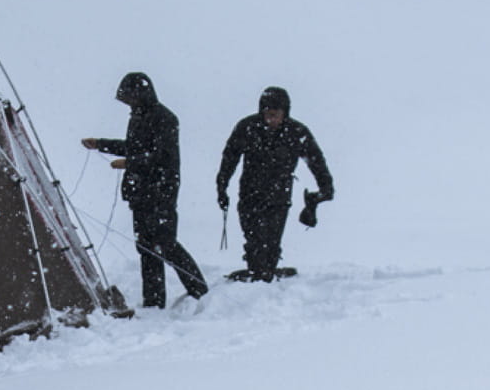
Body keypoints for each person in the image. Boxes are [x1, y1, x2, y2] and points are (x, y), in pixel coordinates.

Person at [81, 72, 210, 309]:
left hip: (161, 192)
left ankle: (200, 290)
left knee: (166, 244)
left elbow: (161, 156)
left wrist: (130, 163)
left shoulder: (165, 118)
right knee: (146, 247)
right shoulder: (138, 118)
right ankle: (154, 301)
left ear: (141, 94)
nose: (128, 103)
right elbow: (132, 147)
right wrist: (100, 144)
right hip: (139, 194)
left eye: (130, 97)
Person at [215, 86, 334, 282]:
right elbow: (229, 158)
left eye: (276, 115)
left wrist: (326, 186)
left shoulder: (297, 132)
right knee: (254, 239)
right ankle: (258, 271)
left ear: (285, 113)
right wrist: (221, 185)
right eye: (267, 114)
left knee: (271, 242)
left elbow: (316, 161)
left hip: (279, 194)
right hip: (250, 193)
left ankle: (266, 272)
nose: (271, 119)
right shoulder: (247, 127)